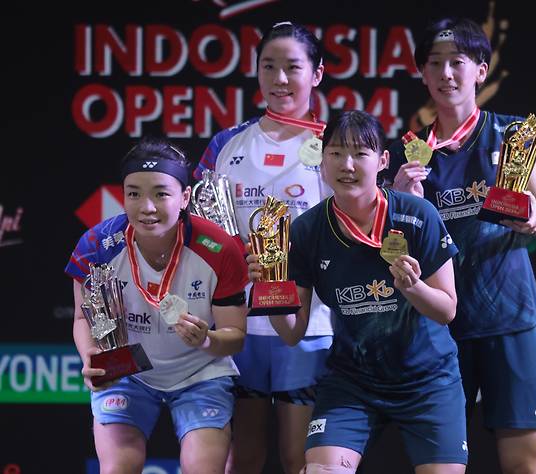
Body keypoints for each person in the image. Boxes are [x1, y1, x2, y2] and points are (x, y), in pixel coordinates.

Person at [248, 110, 468, 474]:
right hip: (354, 381)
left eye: (359, 154)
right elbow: (292, 332)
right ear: (321, 160)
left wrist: (413, 288)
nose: (346, 164)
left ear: (382, 161)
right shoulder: (306, 231)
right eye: (335, 153)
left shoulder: (417, 215)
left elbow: (447, 310)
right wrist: (270, 288)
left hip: (427, 380)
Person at [383, 17, 536, 474]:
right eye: (434, 64)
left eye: (457, 62)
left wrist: (525, 213)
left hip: (509, 317)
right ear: (422, 74)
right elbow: (394, 252)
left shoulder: (516, 136)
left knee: (522, 463)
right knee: (442, 465)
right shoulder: (410, 155)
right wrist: (403, 203)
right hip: (441, 325)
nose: (446, 74)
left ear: (481, 70)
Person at [193, 21, 333, 474]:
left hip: (309, 324)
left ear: (316, 74)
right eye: (268, 67)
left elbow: (355, 225)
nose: (279, 79)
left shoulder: (336, 146)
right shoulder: (226, 144)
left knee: (299, 458)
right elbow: (201, 229)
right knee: (243, 457)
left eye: (292, 67)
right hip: (239, 326)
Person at [65, 137, 249, 473]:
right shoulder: (98, 246)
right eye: (133, 193)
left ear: (185, 198)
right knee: (120, 466)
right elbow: (81, 316)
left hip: (200, 371)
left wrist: (207, 339)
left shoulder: (218, 247)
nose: (146, 207)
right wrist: (90, 355)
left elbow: (235, 335)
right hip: (127, 372)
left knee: (204, 468)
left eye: (161, 193)